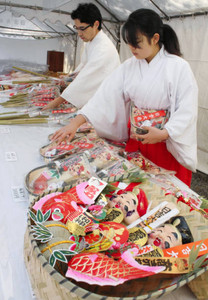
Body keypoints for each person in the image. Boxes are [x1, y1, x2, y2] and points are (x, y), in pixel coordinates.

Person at [51, 8, 198, 187]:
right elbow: (105, 96)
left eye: (137, 43)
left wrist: (165, 133)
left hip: (165, 143)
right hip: (137, 140)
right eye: (129, 43)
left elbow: (187, 109)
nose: (131, 49)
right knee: (135, 191)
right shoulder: (129, 66)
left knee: (165, 192)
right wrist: (76, 122)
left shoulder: (178, 67)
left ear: (155, 38)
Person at [43, 3, 120, 109]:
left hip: (107, 103)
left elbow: (86, 78)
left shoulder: (103, 48)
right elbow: (83, 66)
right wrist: (69, 78)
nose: (79, 33)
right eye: (77, 28)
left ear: (96, 24)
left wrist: (56, 102)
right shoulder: (91, 42)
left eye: (82, 28)